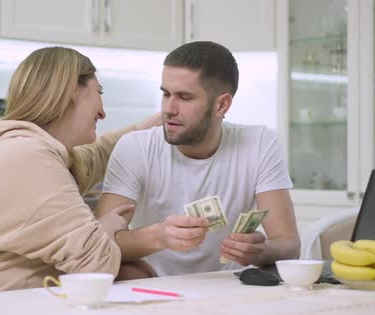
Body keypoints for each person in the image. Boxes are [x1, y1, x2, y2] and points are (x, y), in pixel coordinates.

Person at [0, 46, 160, 303]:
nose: (103, 112)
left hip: (3, 302)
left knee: (133, 273)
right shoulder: (28, 156)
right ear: (71, 91)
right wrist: (104, 228)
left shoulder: (34, 151)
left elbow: (98, 154)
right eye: (99, 92)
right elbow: (96, 263)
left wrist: (147, 128)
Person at [95, 41, 300, 277]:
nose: (169, 109)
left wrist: (261, 251)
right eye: (166, 94)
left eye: (184, 97)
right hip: (155, 288)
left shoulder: (260, 143)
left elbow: (289, 244)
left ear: (222, 105)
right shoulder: (135, 147)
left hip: (229, 288)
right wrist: (158, 236)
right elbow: (101, 243)